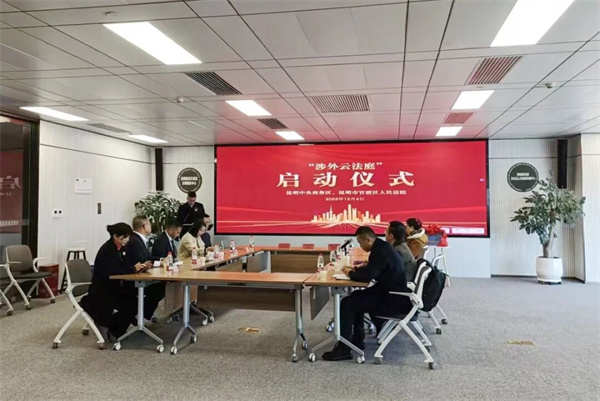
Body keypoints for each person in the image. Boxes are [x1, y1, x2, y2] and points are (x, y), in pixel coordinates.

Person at [322, 226, 412, 362]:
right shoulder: (382, 247)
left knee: (348, 303)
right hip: (391, 293)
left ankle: (344, 349)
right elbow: (373, 270)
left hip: (393, 300)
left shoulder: (380, 251)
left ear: (368, 240)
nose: (361, 246)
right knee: (355, 297)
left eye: (360, 243)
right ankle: (357, 340)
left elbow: (367, 276)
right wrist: (362, 268)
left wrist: (350, 273)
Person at [79, 223, 147, 341]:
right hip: (103, 290)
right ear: (115, 236)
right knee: (128, 303)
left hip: (116, 287)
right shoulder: (107, 250)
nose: (127, 240)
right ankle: (108, 326)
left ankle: (115, 330)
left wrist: (139, 266)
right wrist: (132, 268)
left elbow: (125, 265)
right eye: (124, 237)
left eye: (128, 237)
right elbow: (113, 271)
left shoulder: (122, 248)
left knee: (134, 302)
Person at [126, 216, 162, 322]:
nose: (150, 226)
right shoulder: (134, 241)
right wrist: (155, 262)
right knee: (160, 287)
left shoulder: (139, 239)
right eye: (149, 224)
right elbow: (142, 260)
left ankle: (142, 314)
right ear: (144, 226)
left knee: (162, 285)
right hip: (132, 279)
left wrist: (160, 260)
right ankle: (140, 314)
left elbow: (148, 258)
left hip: (140, 275)